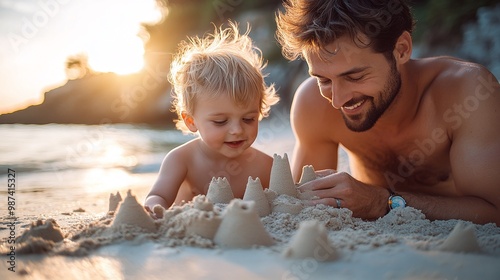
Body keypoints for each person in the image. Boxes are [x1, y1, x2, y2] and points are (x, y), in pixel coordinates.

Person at [276, 0, 500, 225]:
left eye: (355, 77)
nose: (337, 100)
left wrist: (383, 202)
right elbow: (300, 201)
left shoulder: (466, 92)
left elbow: (494, 211)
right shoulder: (312, 103)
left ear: (401, 49)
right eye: (323, 79)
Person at [145, 22, 279, 212]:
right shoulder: (181, 160)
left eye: (248, 119)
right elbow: (158, 196)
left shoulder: (266, 166)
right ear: (191, 121)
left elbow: (286, 201)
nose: (237, 130)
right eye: (220, 121)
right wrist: (153, 209)